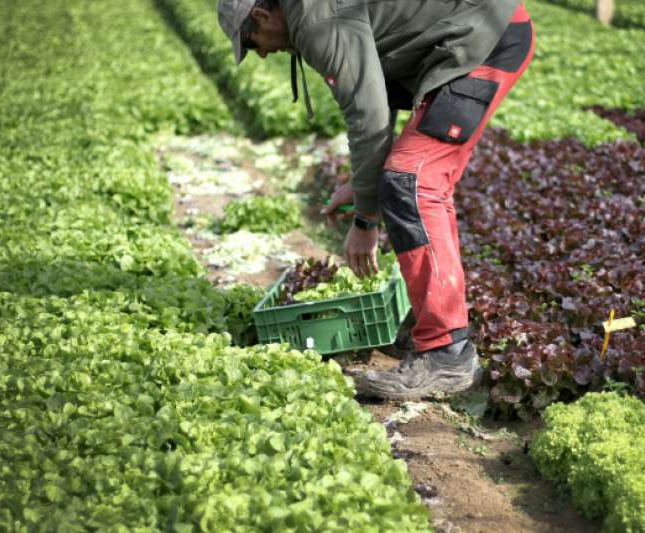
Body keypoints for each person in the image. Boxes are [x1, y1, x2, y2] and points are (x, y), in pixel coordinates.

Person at [218, 0, 535, 400]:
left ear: (262, 16)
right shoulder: (310, 14)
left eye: (253, 41)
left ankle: (447, 354)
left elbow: (368, 118)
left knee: (413, 182)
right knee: (406, 177)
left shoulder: (317, 22)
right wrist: (363, 185)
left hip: (486, 37)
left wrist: (365, 221)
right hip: (475, 30)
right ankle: (432, 327)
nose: (262, 53)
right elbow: (374, 92)